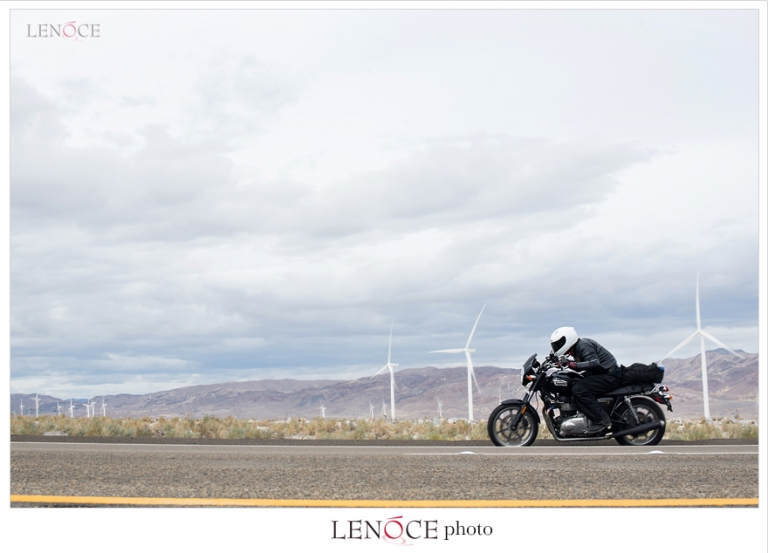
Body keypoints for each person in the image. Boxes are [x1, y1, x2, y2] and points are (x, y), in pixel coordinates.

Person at [550, 327, 623, 434]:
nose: (557, 347)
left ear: (567, 339)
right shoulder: (576, 348)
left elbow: (594, 362)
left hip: (610, 375)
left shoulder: (583, 345)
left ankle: (601, 420)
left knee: (579, 389)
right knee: (575, 384)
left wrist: (573, 365)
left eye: (559, 344)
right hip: (603, 373)